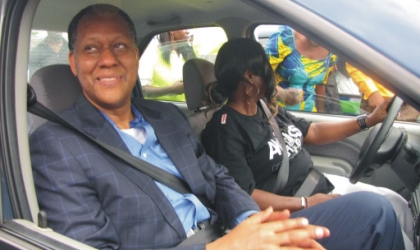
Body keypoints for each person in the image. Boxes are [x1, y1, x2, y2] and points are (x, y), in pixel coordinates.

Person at [29, 4, 404, 250]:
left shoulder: (167, 118)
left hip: (231, 232)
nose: (108, 59)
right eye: (92, 49)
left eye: (120, 47)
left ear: (136, 56)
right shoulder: (56, 146)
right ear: (73, 62)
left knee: (373, 212)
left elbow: (221, 180)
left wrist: (254, 225)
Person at [202, 38, 412, 248]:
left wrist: (369, 120)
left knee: (400, 207)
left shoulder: (264, 107)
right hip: (290, 211)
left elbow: (313, 131)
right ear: (249, 77)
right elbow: (243, 195)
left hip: (317, 187)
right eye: (264, 66)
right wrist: (305, 203)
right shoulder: (224, 130)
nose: (270, 71)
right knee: (379, 212)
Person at [265, 25, 336, 113]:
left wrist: (321, 113)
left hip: (309, 115)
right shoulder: (285, 38)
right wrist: (281, 93)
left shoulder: (333, 51)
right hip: (278, 113)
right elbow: (259, 77)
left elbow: (320, 84)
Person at [340, 60, 420, 121]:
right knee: (369, 138)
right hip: (379, 101)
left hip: (411, 101)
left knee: (407, 140)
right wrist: (372, 92)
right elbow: (354, 61)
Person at [139, 29, 196, 101]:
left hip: (182, 107)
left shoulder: (182, 54)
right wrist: (171, 89)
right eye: (184, 28)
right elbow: (143, 90)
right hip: (161, 108)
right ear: (172, 31)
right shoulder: (152, 52)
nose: (188, 31)